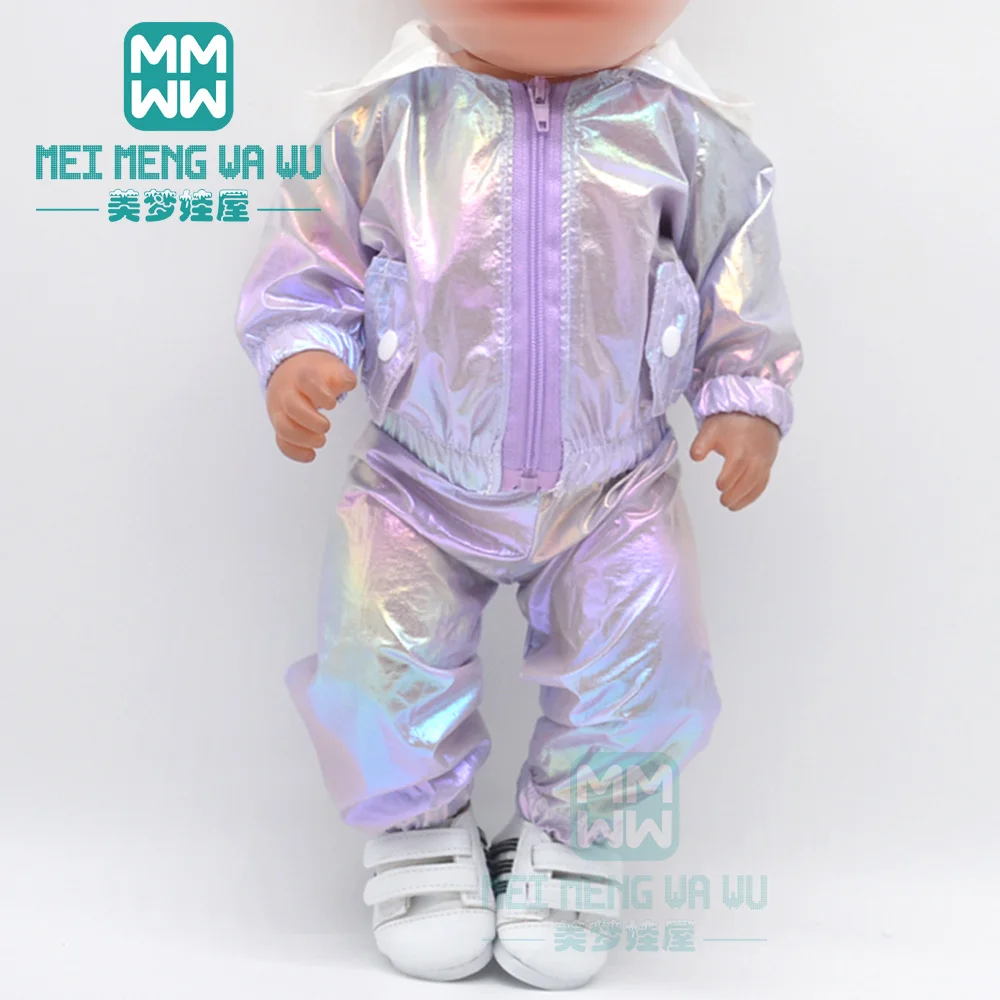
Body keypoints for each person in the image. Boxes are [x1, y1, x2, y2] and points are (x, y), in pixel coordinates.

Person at [236, 1, 802, 987]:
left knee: (648, 652)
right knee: (376, 644)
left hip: (615, 482)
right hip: (417, 473)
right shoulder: (390, 117)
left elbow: (735, 270)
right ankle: (415, 827)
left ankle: (577, 837)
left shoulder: (679, 127)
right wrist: (301, 350)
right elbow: (312, 255)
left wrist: (746, 394)